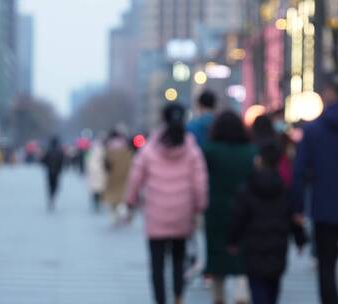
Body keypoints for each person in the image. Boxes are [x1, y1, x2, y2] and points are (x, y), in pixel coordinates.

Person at [125, 104, 208, 304]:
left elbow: (136, 177)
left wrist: (130, 201)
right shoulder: (191, 148)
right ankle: (179, 296)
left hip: (156, 214)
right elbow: (200, 182)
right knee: (179, 259)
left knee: (157, 264)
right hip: (182, 213)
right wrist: (199, 207)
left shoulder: (150, 148)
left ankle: (160, 300)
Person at [293, 74, 338, 304]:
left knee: (326, 266)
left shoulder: (313, 131)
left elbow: (300, 171)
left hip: (325, 208)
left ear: (331, 93)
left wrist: (298, 208)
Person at [228, 141, 307, 304]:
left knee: (257, 290)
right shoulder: (284, 190)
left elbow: (238, 217)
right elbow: (292, 217)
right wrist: (300, 239)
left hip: (253, 249)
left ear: (259, 160)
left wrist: (233, 240)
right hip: (277, 248)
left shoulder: (247, 188)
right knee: (273, 289)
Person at [203, 111, 255, 304]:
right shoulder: (250, 152)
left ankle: (218, 297)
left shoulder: (209, 151)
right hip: (245, 211)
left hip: (216, 210)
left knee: (217, 256)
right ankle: (242, 293)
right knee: (242, 254)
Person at [104, 129, 133, 224]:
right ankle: (123, 213)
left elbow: (106, 164)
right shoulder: (126, 148)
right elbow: (130, 162)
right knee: (123, 196)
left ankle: (115, 215)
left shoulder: (109, 148)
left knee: (113, 198)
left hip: (113, 176)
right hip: (124, 175)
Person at [42, 137, 65, 210]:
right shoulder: (60, 152)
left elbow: (43, 160)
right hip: (57, 172)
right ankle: (53, 197)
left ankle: (51, 197)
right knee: (55, 185)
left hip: (50, 171)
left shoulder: (48, 151)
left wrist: (48, 166)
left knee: (50, 186)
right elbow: (62, 162)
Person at [86, 138, 106, 212]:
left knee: (94, 189)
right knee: (99, 189)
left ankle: (96, 203)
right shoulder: (103, 151)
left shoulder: (90, 152)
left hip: (93, 173)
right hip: (100, 173)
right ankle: (98, 202)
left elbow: (87, 163)